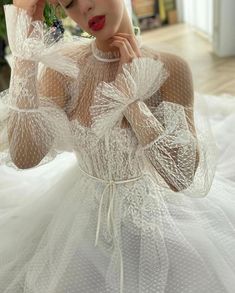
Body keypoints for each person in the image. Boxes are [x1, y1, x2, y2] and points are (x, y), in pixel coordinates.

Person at [0, 0, 235, 292]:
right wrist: (25, 53)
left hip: (160, 220)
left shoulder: (170, 67)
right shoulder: (63, 68)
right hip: (82, 222)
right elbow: (24, 156)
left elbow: (182, 176)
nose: (84, 8)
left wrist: (131, 101)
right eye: (71, 2)